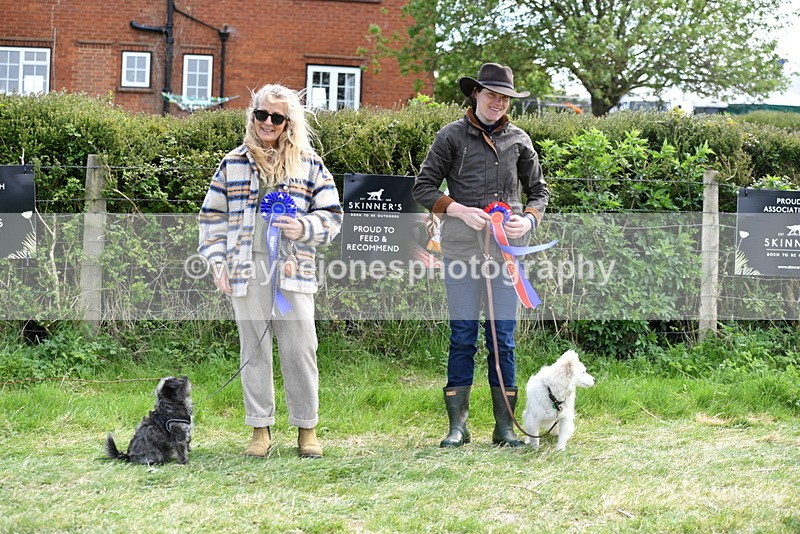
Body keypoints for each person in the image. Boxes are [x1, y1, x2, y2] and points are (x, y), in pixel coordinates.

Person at [198, 84, 342, 458]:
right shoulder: (232, 163)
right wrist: (217, 263)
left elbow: (332, 216)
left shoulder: (310, 163)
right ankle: (259, 430)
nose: (267, 122)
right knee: (254, 350)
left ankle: (306, 429)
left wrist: (304, 228)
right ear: (253, 116)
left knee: (301, 349)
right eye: (261, 114)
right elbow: (210, 218)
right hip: (246, 269)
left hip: (294, 270)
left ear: (288, 122)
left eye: (276, 117)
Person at [412, 63, 550, 448]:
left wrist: (529, 220)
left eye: (504, 97)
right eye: (491, 95)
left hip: (507, 254)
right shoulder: (450, 136)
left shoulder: (520, 139)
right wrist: (457, 209)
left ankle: (504, 427)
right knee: (462, 336)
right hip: (460, 250)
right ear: (476, 94)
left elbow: (539, 191)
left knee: (502, 339)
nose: (498, 102)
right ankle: (458, 427)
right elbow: (422, 188)